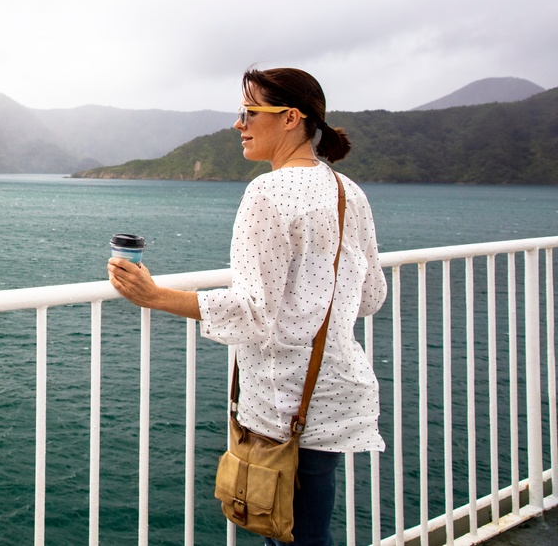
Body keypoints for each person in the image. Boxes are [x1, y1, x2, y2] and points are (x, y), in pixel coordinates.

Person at [108, 67, 387, 546]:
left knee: (286, 532)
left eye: (249, 112)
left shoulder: (268, 191)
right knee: (308, 529)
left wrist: (153, 297)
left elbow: (253, 312)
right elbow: (370, 296)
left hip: (284, 401)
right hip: (333, 393)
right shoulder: (347, 192)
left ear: (290, 118)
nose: (239, 124)